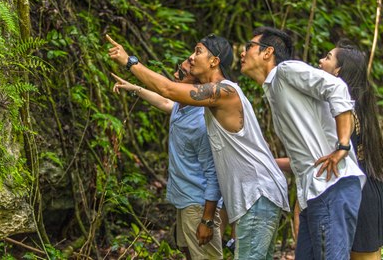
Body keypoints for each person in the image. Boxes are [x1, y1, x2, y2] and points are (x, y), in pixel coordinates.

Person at [106, 33, 290, 259]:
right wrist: (136, 88)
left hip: (257, 192)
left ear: (214, 61)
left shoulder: (225, 91)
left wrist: (129, 62)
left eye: (198, 51)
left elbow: (169, 90)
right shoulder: (211, 98)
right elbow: (170, 101)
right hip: (253, 194)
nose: (192, 58)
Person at [240, 26, 366, 260]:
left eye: (249, 47)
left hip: (331, 186)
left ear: (267, 52)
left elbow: (337, 87)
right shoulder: (274, 88)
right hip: (314, 191)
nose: (243, 52)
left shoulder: (286, 71)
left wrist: (343, 146)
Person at [112, 59, 223, 259]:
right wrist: (135, 88)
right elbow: (164, 102)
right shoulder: (183, 108)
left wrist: (207, 220)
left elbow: (213, 174)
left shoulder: (200, 122)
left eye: (181, 73)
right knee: (188, 251)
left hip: (199, 203)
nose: (175, 74)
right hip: (185, 199)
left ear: (195, 84)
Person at [319, 40, 383, 260]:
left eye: (327, 57)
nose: (320, 61)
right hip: (364, 192)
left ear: (338, 71)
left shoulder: (344, 113)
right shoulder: (355, 108)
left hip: (358, 194)